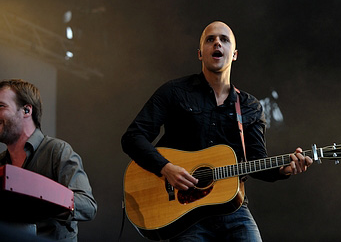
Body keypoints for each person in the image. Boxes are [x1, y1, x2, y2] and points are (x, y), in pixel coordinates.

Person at [121, 21, 313, 241]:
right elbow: (132, 137)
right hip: (184, 212)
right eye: (210, 39)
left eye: (224, 39)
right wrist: (165, 168)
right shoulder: (174, 92)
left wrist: (285, 169)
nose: (217, 43)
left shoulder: (249, 106)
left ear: (234, 54)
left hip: (233, 210)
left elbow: (257, 163)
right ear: (200, 53)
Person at [0, 79, 97, 241]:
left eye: (1, 106)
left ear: (26, 110)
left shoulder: (57, 151)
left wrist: (42, 196)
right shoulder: (2, 162)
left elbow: (88, 206)